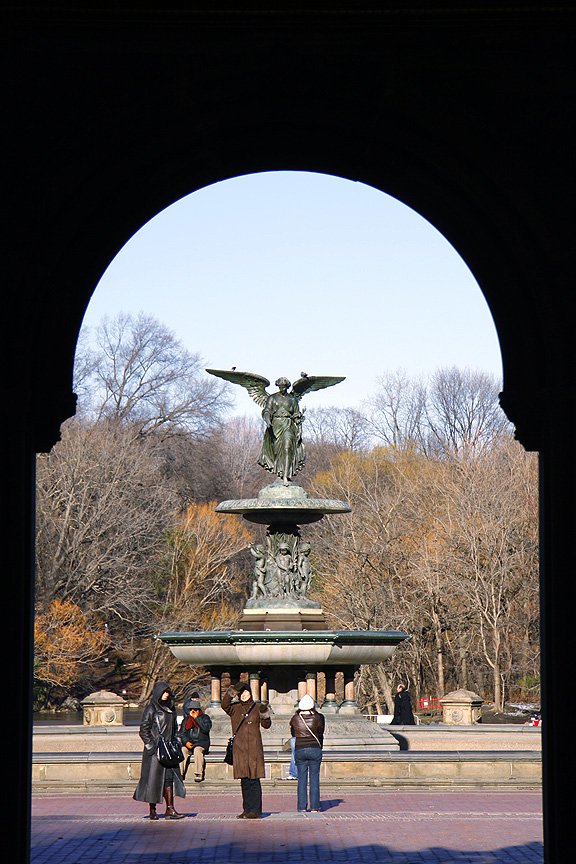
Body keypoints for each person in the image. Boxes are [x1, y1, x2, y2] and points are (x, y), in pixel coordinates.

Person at [133, 681, 186, 820]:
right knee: (153, 780)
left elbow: (175, 728)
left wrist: (177, 740)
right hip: (155, 751)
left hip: (169, 749)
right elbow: (144, 729)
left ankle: (170, 808)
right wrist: (151, 746)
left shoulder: (171, 708)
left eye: (167, 692)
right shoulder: (151, 708)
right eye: (163, 692)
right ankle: (152, 809)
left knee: (169, 779)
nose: (165, 695)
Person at [221, 682, 272, 819]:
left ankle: (255, 810)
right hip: (240, 749)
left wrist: (264, 712)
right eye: (241, 693)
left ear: (250, 693)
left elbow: (267, 725)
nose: (243, 695)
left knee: (254, 779)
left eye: (246, 692)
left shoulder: (256, 707)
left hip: (254, 748)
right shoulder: (235, 708)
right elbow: (224, 704)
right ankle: (247, 809)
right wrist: (233, 689)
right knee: (244, 780)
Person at [258, 377, 305, 484]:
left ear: (287, 387)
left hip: (288, 425)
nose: (282, 388)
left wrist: (298, 418)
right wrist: (267, 419)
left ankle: (286, 476)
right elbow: (267, 410)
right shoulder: (272, 398)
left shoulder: (292, 399)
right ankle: (279, 472)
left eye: (284, 387)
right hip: (275, 425)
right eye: (280, 387)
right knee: (277, 451)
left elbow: (295, 413)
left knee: (288, 447)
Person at [290, 694, 325, 813]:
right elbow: (320, 733)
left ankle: (302, 807)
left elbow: (293, 733)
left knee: (301, 780)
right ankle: (315, 807)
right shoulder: (319, 718)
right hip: (315, 749)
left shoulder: (295, 718)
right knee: (314, 778)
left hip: (300, 749)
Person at [178, 697, 212, 782]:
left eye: (195, 710)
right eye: (191, 710)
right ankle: (179, 774)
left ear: (198, 710)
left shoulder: (205, 718)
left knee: (197, 750)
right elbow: (182, 733)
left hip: (201, 743)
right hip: (189, 743)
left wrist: (197, 719)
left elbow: (206, 729)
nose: (192, 712)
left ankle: (198, 774)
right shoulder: (186, 720)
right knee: (183, 750)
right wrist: (186, 742)